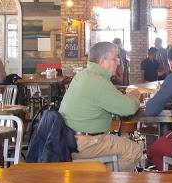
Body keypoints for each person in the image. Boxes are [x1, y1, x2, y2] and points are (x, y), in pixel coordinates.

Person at [59, 41, 145, 171]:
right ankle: (101, 178)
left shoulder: (84, 75)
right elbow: (128, 108)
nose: (118, 62)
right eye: (115, 58)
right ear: (103, 60)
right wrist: (135, 97)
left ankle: (96, 174)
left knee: (120, 144)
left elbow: (107, 99)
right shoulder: (98, 82)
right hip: (84, 143)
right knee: (134, 151)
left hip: (67, 138)